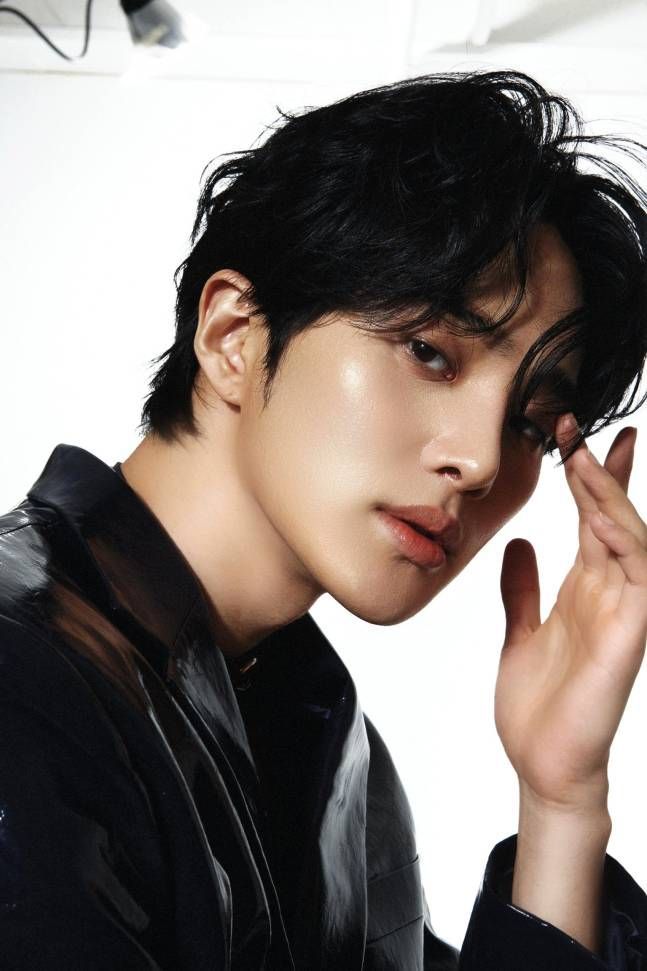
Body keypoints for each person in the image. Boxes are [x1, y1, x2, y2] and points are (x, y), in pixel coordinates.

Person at [1, 69, 647, 970]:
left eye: (530, 425)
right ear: (234, 337)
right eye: (430, 353)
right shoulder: (24, 681)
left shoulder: (334, 748)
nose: (480, 462)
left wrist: (559, 804)